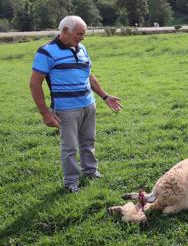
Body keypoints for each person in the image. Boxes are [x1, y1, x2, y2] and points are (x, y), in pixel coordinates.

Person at [29, 15, 122, 192]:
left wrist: (105, 96)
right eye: (79, 34)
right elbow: (35, 83)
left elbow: (89, 76)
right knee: (70, 148)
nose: (82, 38)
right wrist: (45, 113)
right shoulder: (46, 52)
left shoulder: (82, 49)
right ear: (65, 31)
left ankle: (91, 171)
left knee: (88, 142)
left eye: (83, 34)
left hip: (88, 104)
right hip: (66, 109)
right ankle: (71, 183)